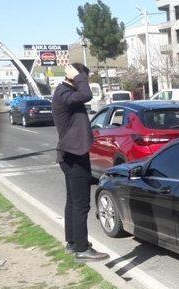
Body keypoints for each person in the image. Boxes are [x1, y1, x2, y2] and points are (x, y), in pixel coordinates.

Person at [52, 63, 109, 262]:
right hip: (74, 155)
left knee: (72, 202)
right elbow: (87, 95)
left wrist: (78, 78)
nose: (86, 82)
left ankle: (73, 242)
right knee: (81, 204)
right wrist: (78, 77)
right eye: (85, 78)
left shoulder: (65, 92)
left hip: (72, 153)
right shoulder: (64, 93)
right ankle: (82, 249)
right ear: (75, 77)